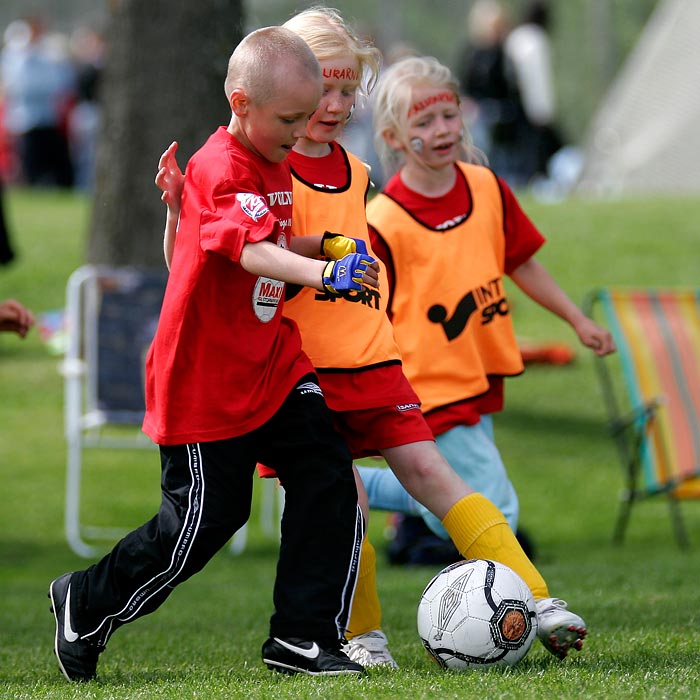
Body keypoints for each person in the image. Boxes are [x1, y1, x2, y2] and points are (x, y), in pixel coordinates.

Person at [157, 7, 590, 668]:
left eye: (344, 89)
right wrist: (177, 216)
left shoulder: (358, 174)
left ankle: (535, 598)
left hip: (368, 356)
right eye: (321, 89)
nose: (332, 105)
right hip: (297, 368)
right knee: (344, 500)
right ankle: (363, 636)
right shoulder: (257, 171)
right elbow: (205, 266)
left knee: (433, 473)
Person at [48, 26, 381, 683]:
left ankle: (302, 638)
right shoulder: (220, 166)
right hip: (205, 382)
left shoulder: (271, 155)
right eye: (290, 119)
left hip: (273, 363)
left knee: (327, 473)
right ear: (241, 102)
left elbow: (252, 250)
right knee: (201, 524)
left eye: (307, 116)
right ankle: (84, 602)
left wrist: (327, 247)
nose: (301, 131)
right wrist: (323, 276)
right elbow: (251, 250)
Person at [355, 50, 614, 639]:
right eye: (423, 123)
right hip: (426, 385)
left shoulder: (487, 188)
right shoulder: (384, 220)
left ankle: (357, 484)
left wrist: (576, 319)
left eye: (448, 116)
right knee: (496, 508)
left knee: (445, 494)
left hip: (479, 375)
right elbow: (368, 312)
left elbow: (521, 261)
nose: (441, 131)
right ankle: (529, 614)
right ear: (394, 136)